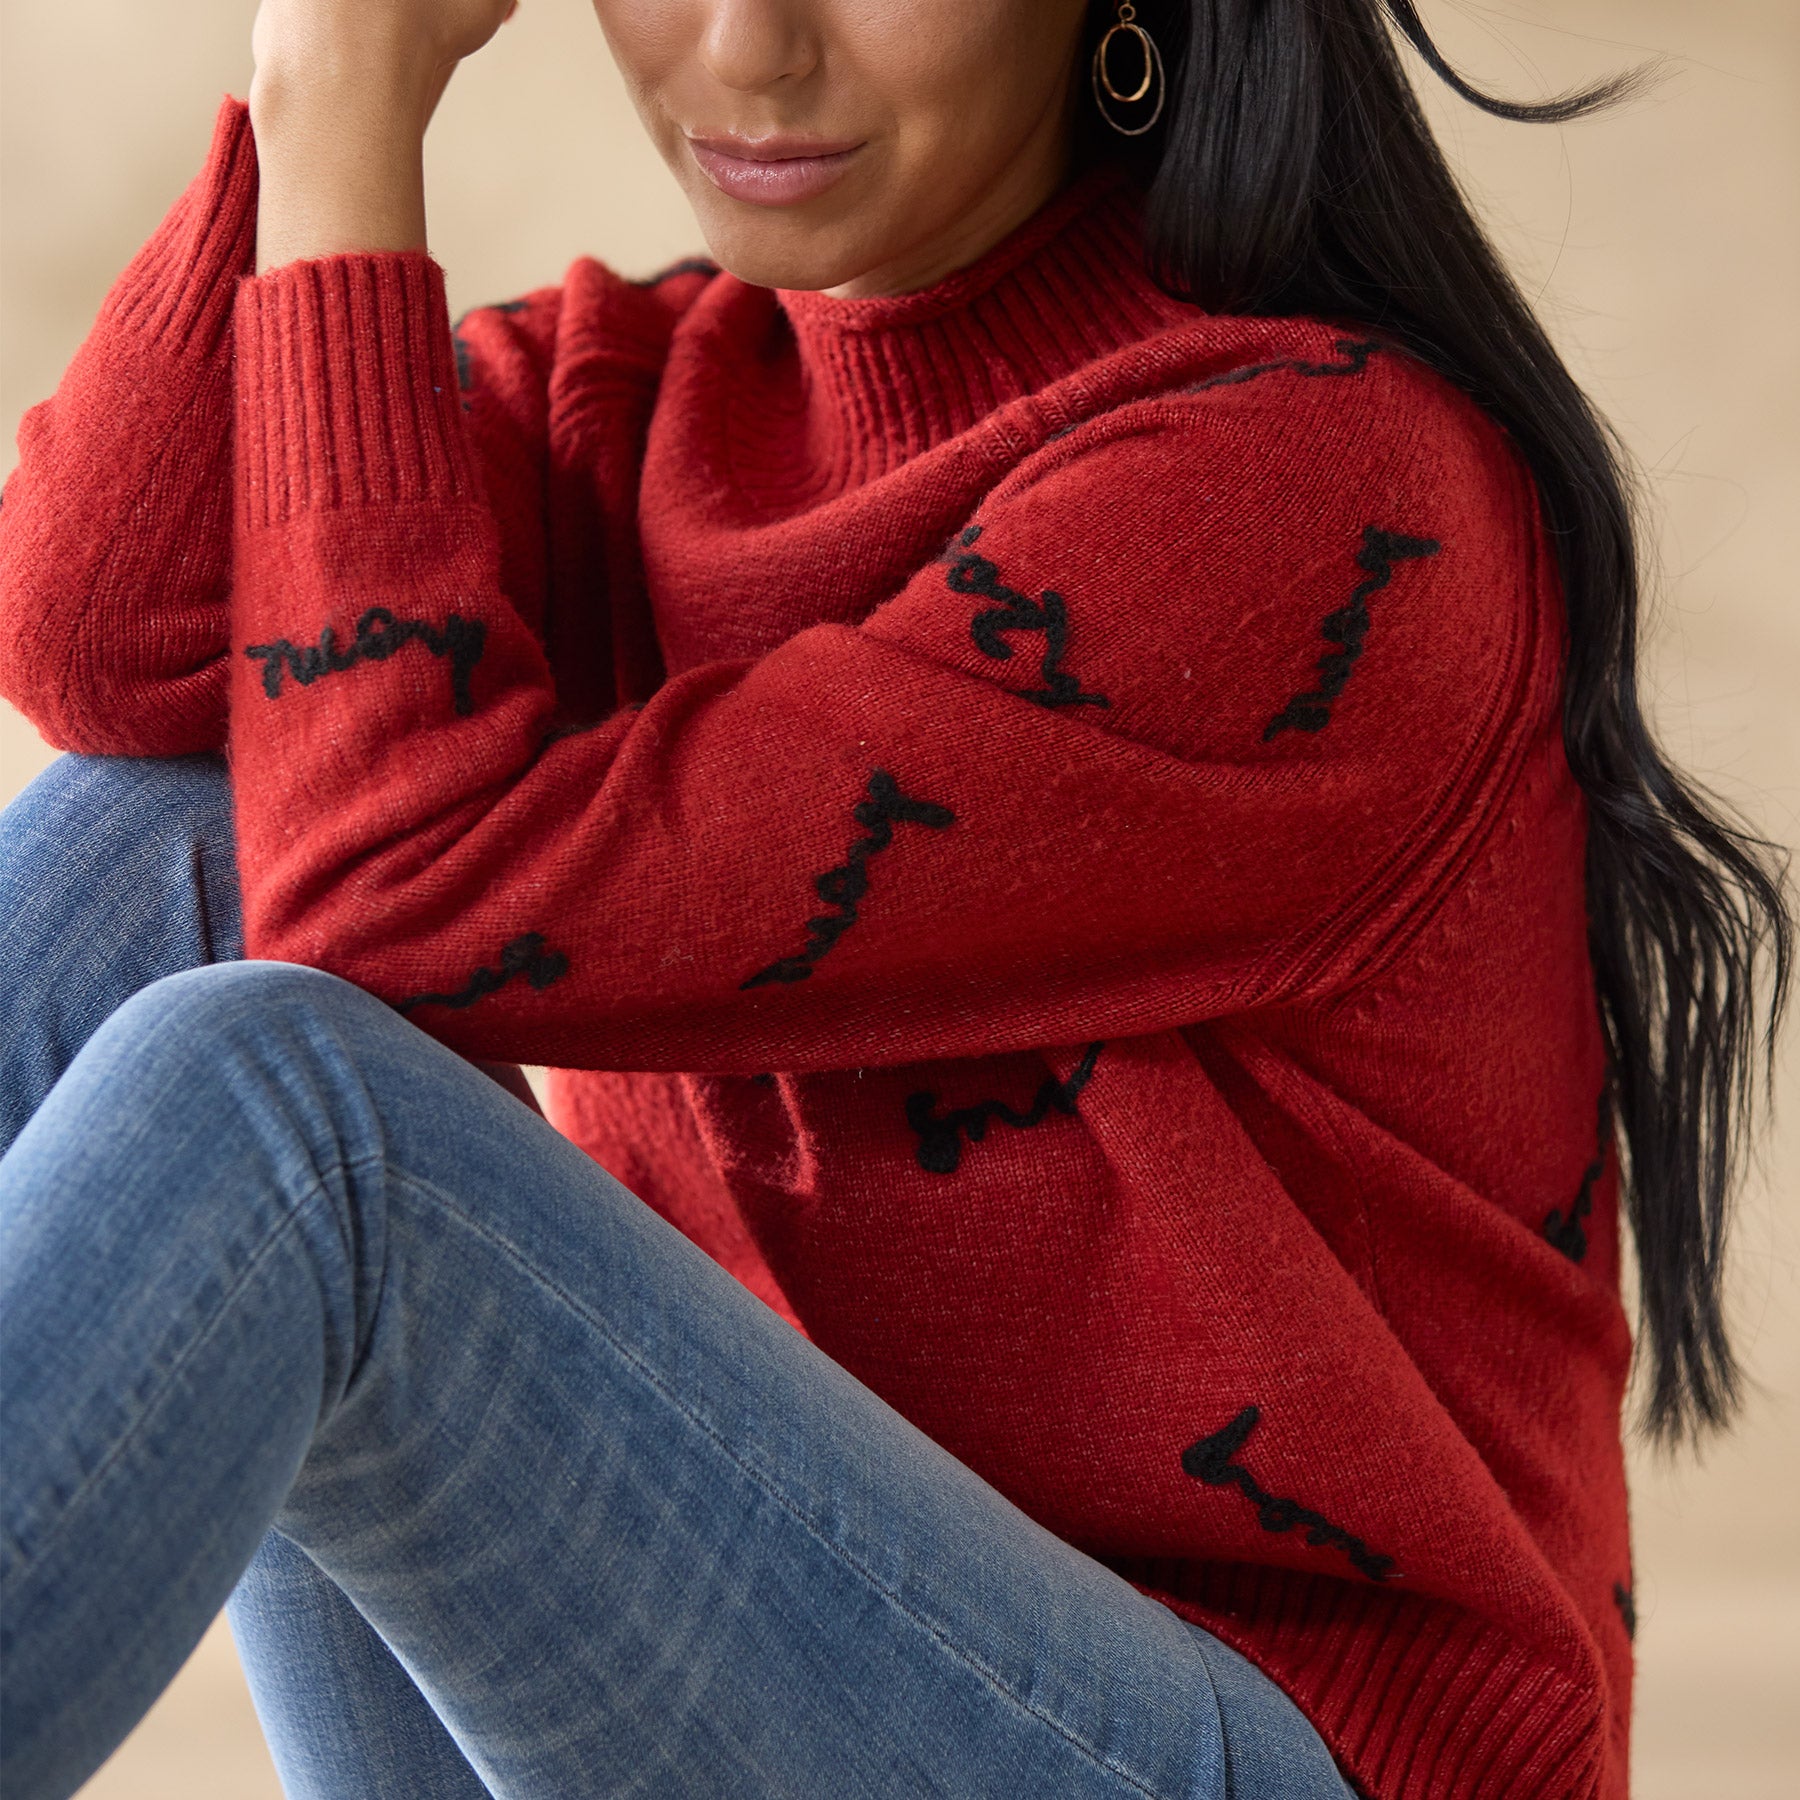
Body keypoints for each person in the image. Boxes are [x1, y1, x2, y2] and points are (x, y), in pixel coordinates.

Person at [0, 1, 1789, 1796]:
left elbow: (377, 897)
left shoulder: (1303, 490)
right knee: (154, 837)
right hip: (777, 1673)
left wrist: (346, 128)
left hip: (1270, 1746)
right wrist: (312, 87)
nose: (748, 48)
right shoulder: (642, 403)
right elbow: (95, 635)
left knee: (288, 1115)